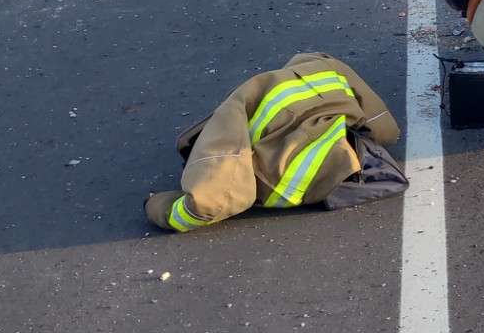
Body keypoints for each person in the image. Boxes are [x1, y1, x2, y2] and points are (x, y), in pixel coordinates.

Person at [143, 52, 405, 233]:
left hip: (296, 183)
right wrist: (376, 138)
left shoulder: (230, 114)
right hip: (352, 158)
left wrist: (156, 205)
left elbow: (208, 202)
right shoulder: (325, 66)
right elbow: (385, 128)